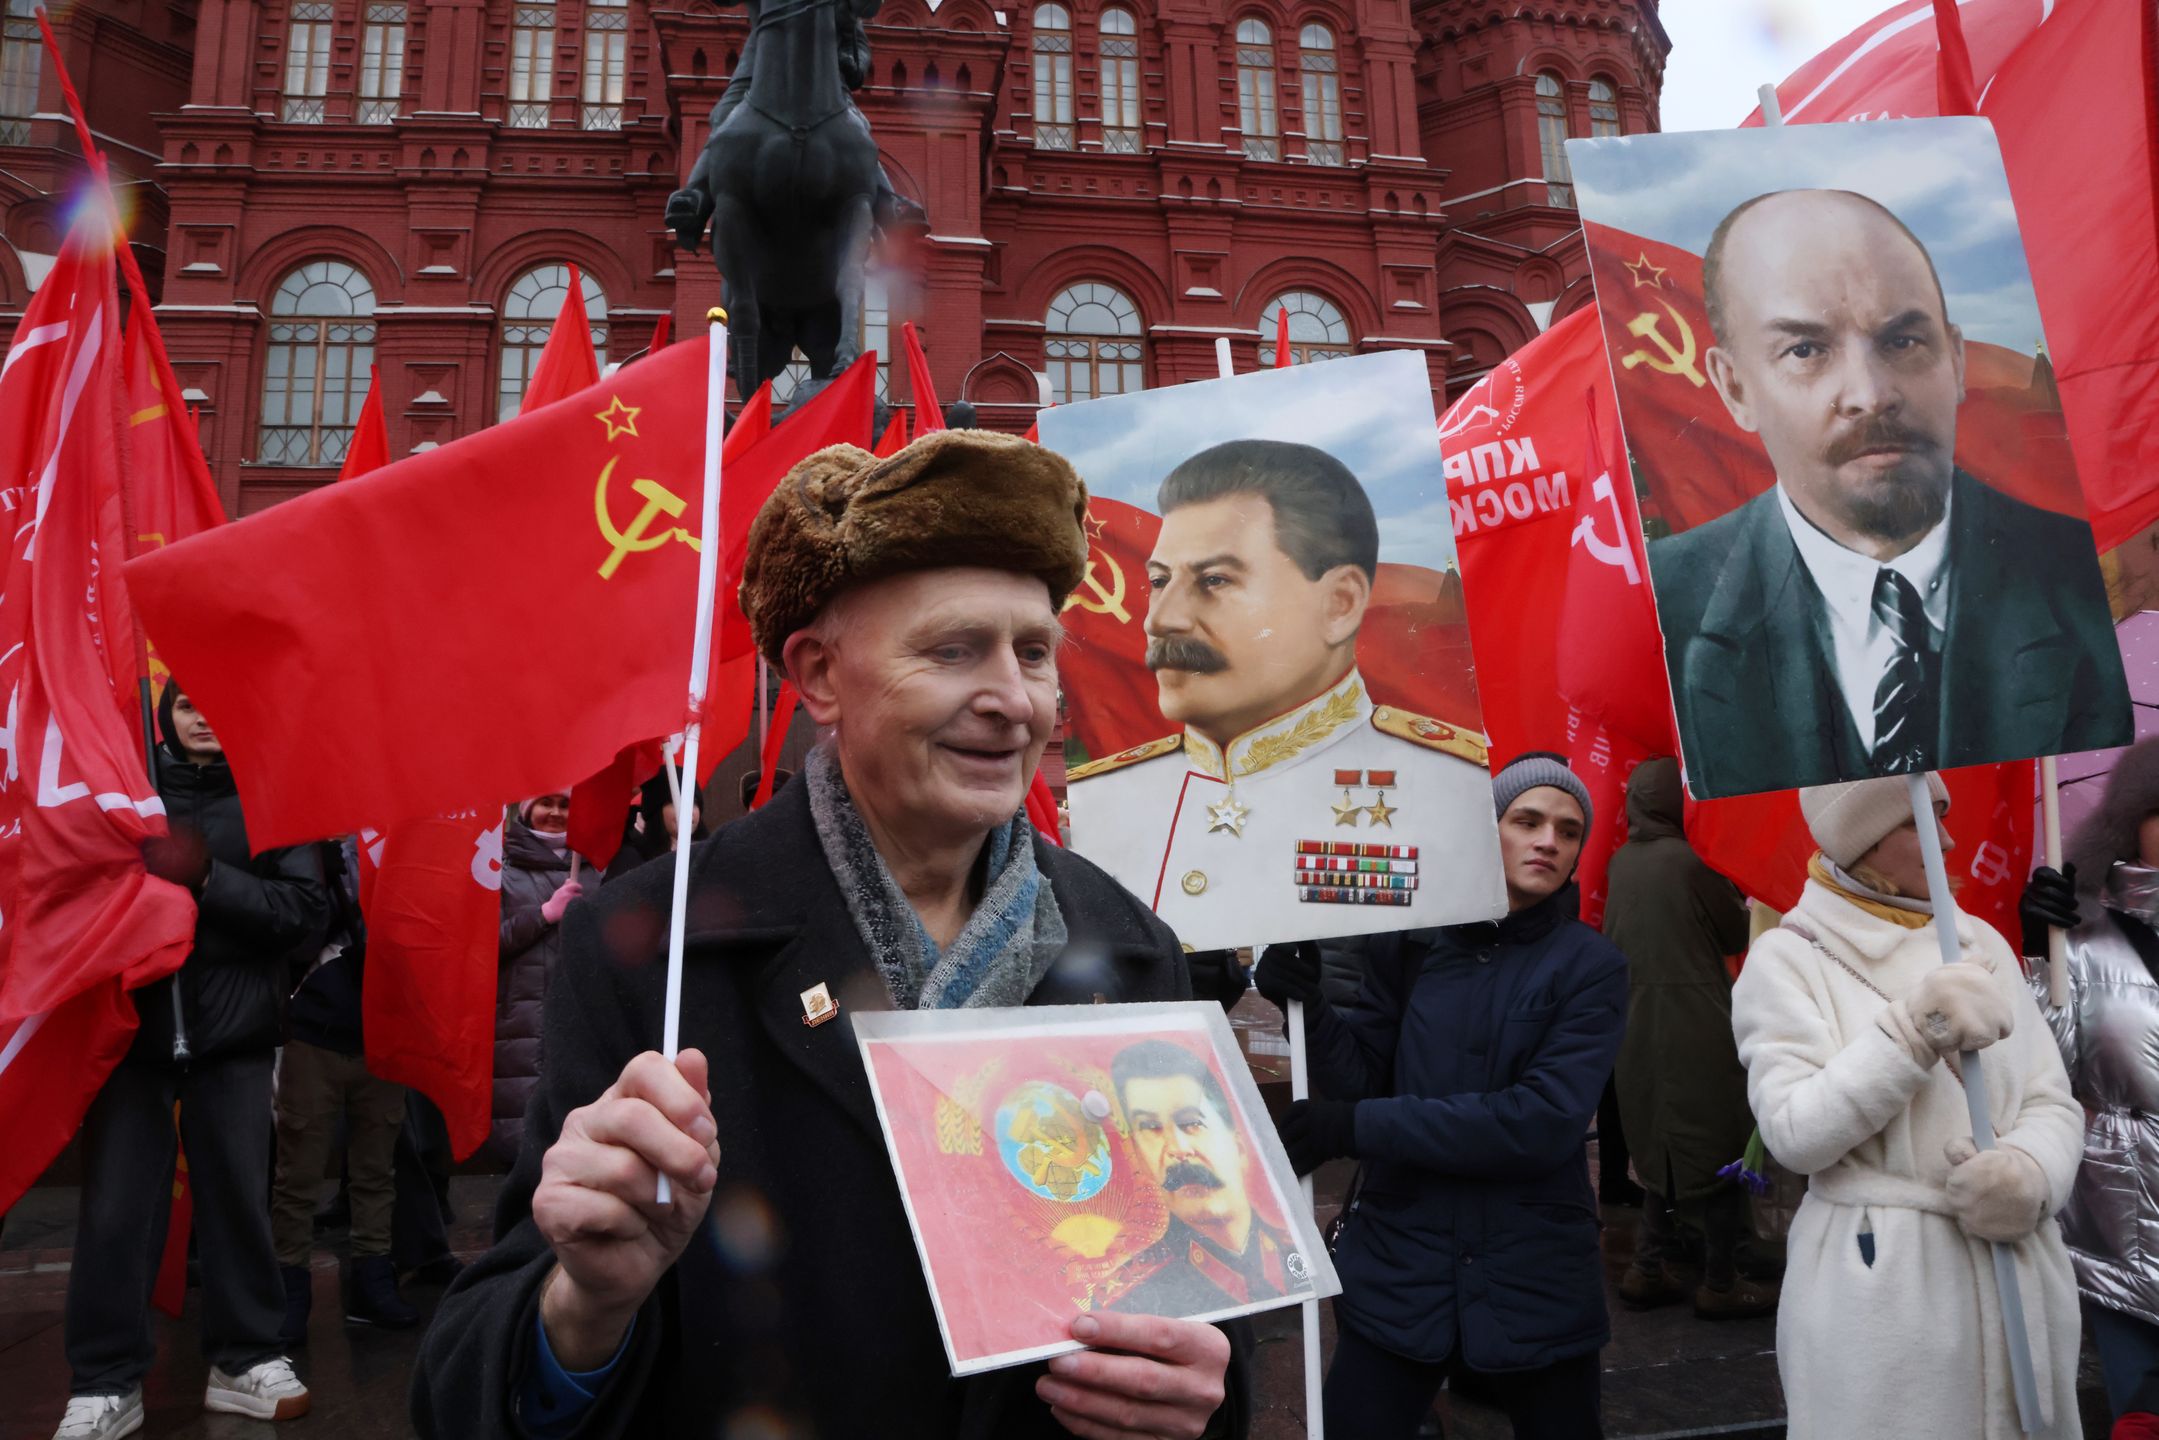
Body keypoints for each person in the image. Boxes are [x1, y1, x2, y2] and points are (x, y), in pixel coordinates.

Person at [411, 429, 1243, 1439]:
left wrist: (1197, 1387)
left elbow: (1207, 1301)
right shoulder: (651, 942)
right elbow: (470, 1387)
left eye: (1033, 652)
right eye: (952, 650)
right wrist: (587, 1306)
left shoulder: (1128, 945)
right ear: (818, 676)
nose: (1013, 700)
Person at [1648, 188, 2127, 798]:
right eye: (1805, 349)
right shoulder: (1669, 609)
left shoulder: (2081, 582)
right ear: (1735, 387)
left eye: (1902, 341)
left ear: (1954, 360)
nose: (1871, 394)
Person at [1259, 752, 1627, 1439]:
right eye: (1527, 820)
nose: (1548, 840)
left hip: (1534, 1274)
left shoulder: (1591, 966)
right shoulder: (1412, 943)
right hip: (1404, 1262)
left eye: (1568, 830)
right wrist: (1303, 1007)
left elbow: (1539, 1122)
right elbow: (1362, 1075)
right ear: (1486, 829)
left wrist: (1356, 1127)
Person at [1730, 773, 2082, 1439]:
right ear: (1858, 839)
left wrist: (2028, 1175)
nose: (1947, 839)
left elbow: (2049, 1099)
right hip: (1881, 1293)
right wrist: (1912, 1032)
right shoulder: (1785, 960)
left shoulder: (1983, 943)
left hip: (2015, 1269)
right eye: (1917, 821)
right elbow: (1795, 1134)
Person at [1066, 438, 1499, 944]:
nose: (1162, 620)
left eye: (1214, 580)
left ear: (1339, 604)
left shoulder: (1451, 790)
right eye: (1160, 581)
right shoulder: (1105, 796)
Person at [51, 685, 326, 1440]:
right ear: (164, 716)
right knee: (114, 1214)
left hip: (233, 1042)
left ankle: (246, 1359)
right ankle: (104, 1381)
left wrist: (208, 879)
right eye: (186, 706)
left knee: (239, 1202)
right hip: (129, 1042)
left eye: (220, 703)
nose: (205, 716)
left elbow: (305, 913)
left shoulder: (279, 800)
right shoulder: (121, 798)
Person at [2015, 736, 2159, 1424]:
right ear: (2127, 826)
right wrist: (2036, 958)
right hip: (2119, 1240)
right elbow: (2039, 1071)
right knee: (2138, 1416)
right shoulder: (2080, 941)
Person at [1605, 758, 1773, 1319]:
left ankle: (1647, 1266)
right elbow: (1732, 931)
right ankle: (1721, 1281)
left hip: (1637, 1020)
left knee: (1665, 1146)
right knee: (1718, 1142)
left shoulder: (1621, 861)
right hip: (1696, 1017)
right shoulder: (1689, 861)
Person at [272, 837, 419, 1347]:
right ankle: (290, 1287)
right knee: (299, 1175)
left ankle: (371, 1282)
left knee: (376, 1172)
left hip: (383, 1035)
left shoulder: (402, 844)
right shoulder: (305, 848)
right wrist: (333, 886)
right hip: (313, 1035)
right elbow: (291, 935)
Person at [1103, 1039, 1311, 1316]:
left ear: (1239, 1146)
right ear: (1140, 1158)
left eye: (1191, 1122)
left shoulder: (1298, 1255)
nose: (1177, 1149)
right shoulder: (1128, 1302)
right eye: (1151, 1127)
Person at [488, 791, 588, 1166]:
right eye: (546, 803)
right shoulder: (503, 870)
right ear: (528, 810)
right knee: (521, 1148)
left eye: (565, 805)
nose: (556, 813)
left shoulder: (595, 869)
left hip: (579, 1023)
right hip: (518, 1026)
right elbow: (485, 946)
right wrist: (543, 915)